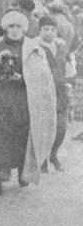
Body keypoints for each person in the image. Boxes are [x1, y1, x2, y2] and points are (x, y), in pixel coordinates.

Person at [0, 11, 56, 196]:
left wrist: (22, 78)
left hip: (23, 102)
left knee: (21, 140)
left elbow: (42, 77)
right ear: (5, 28)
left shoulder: (32, 48)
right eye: (10, 26)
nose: (14, 30)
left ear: (24, 28)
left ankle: (23, 172)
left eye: (18, 26)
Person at [36, 16, 75, 173]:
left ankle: (53, 154)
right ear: (40, 30)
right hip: (43, 91)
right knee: (44, 126)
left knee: (61, 127)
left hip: (60, 90)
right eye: (46, 29)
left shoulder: (60, 46)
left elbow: (68, 69)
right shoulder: (35, 47)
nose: (49, 33)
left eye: (52, 30)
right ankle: (43, 158)